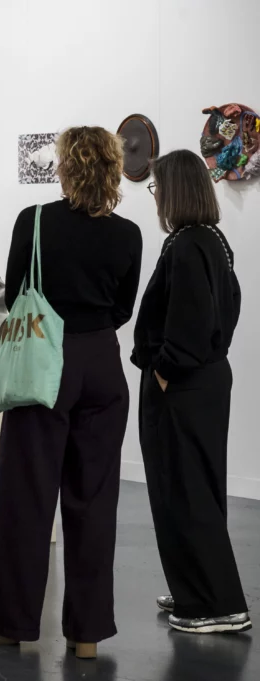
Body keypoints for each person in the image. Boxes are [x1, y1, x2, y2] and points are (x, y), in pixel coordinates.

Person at [0, 127, 143, 658]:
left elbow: (15, 285)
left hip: (44, 360)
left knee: (23, 497)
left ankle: (6, 621)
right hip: (102, 365)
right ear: (110, 169)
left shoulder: (33, 221)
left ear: (66, 167)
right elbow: (124, 308)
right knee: (95, 502)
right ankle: (87, 635)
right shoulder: (129, 234)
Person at [132, 150, 250, 634]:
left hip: (182, 385)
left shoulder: (186, 244)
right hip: (205, 381)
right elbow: (226, 311)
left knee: (184, 490)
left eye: (157, 188)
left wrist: (164, 371)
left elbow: (189, 320)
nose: (155, 196)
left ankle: (215, 604)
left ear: (175, 191)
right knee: (196, 487)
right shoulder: (212, 240)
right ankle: (195, 588)